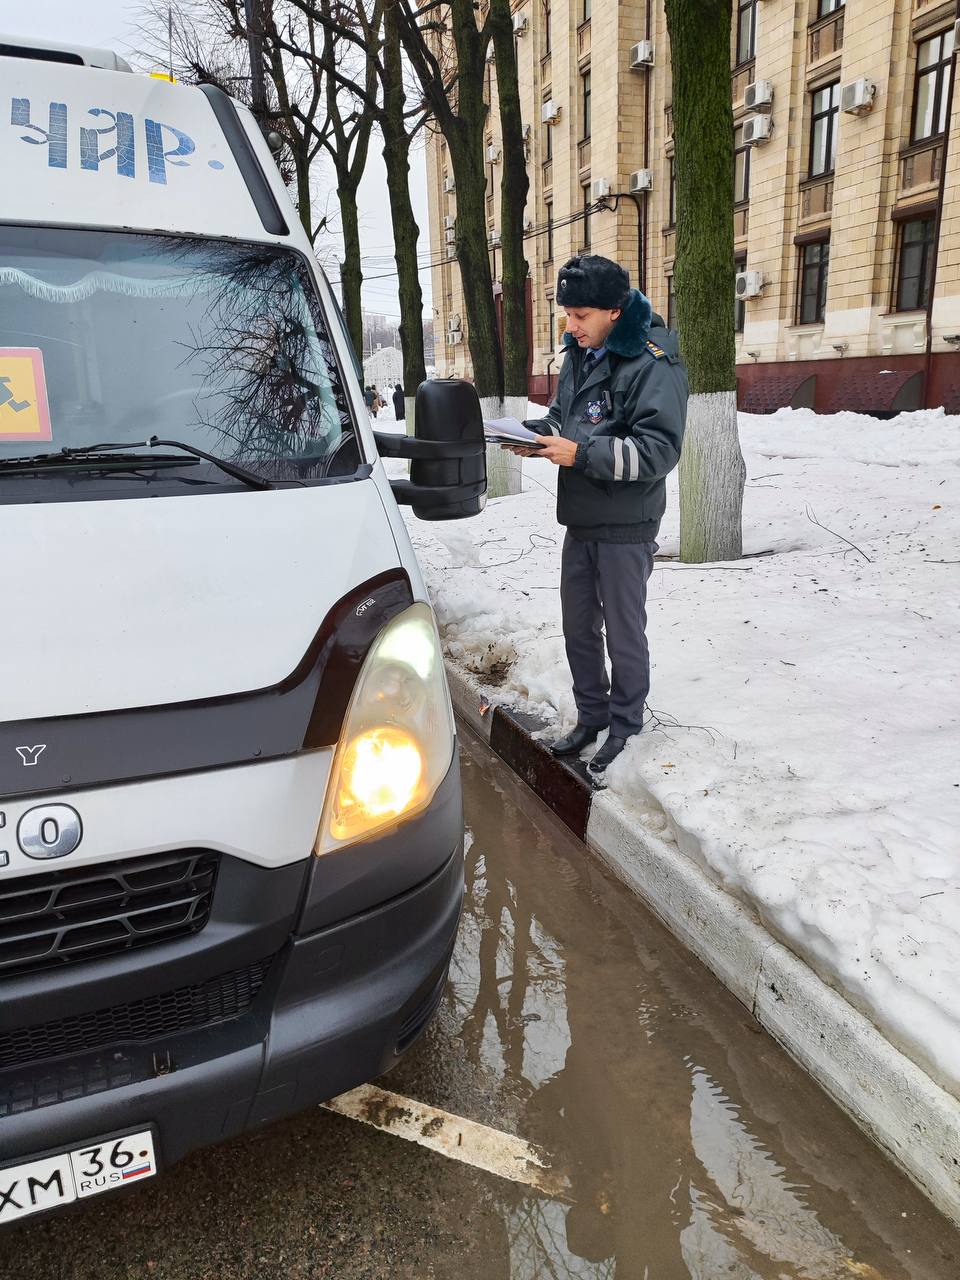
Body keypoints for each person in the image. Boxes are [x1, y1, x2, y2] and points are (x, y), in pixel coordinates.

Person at [506, 254, 688, 772]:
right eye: (566, 313)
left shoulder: (654, 362)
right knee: (578, 626)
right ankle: (592, 715)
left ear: (614, 311)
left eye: (581, 315)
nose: (570, 325)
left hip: (627, 524)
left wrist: (580, 454)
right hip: (582, 517)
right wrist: (535, 437)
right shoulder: (578, 356)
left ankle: (626, 725)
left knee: (624, 630)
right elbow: (565, 419)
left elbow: (659, 451)